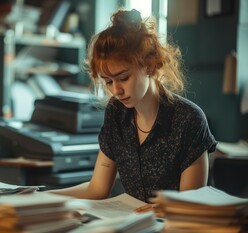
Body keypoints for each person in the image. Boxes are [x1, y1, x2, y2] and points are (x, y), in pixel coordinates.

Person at [48, 8, 217, 211]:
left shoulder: (189, 119)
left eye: (123, 78)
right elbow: (97, 188)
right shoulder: (116, 112)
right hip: (132, 227)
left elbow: (189, 207)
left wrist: (155, 210)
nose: (116, 90)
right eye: (108, 81)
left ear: (149, 64)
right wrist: (39, 196)